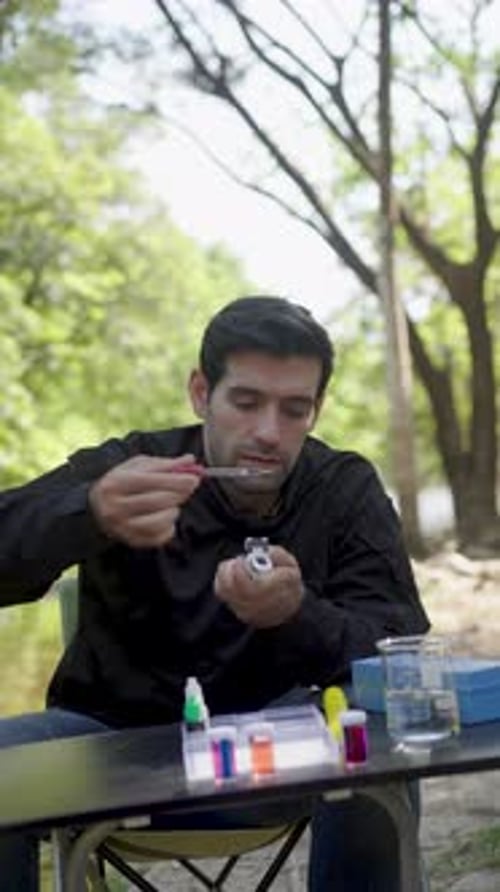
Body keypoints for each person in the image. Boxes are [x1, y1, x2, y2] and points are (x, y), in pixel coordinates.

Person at [0, 295, 429, 891]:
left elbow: (398, 647)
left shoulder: (343, 487)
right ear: (202, 393)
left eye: (293, 410)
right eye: (246, 403)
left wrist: (296, 613)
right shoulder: (128, 465)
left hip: (280, 747)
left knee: (369, 721)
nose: (267, 434)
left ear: (316, 409)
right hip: (109, 744)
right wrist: (88, 510)